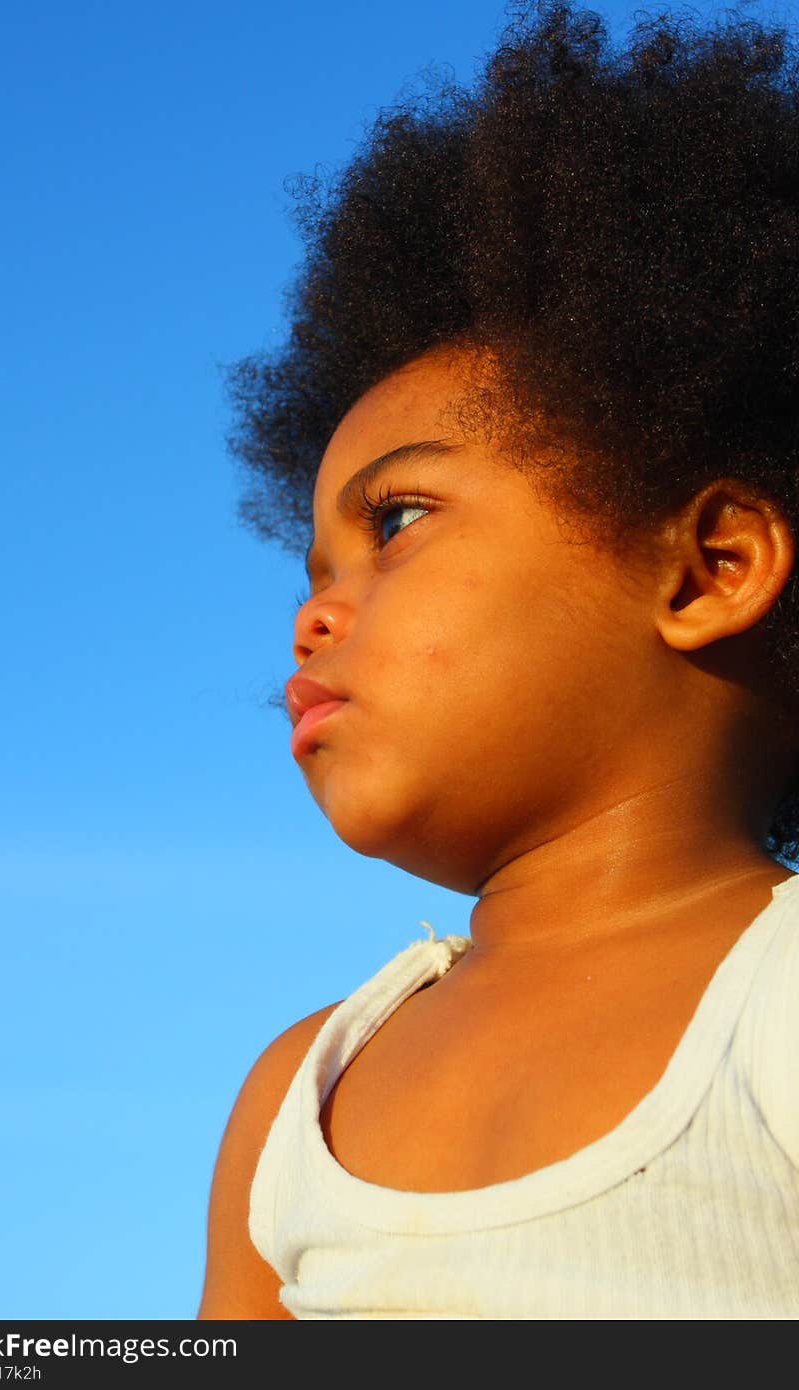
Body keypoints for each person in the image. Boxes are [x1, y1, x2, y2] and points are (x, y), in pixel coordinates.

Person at [198, 2, 799, 1319]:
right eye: (312, 569)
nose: (313, 614)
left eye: (397, 521)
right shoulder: (302, 1086)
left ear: (707, 571)